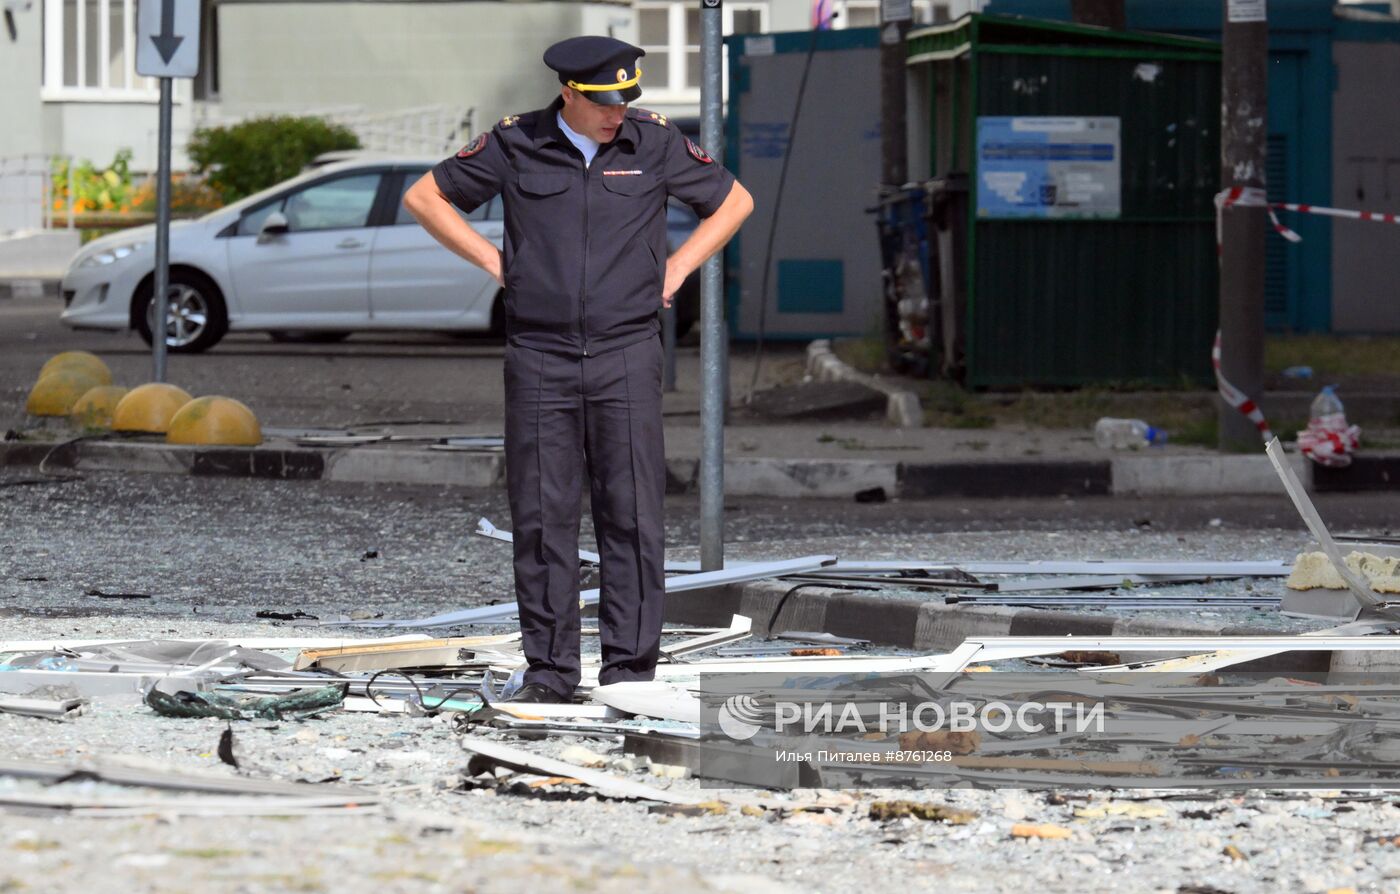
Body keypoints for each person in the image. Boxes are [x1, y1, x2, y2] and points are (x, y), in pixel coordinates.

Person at [405, 35, 753, 703]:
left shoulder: (652, 143)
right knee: (543, 518)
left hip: (626, 350)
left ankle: (629, 675)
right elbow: (426, 198)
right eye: (602, 103)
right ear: (568, 93)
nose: (615, 114)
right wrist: (493, 262)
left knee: (632, 517)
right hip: (540, 354)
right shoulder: (516, 143)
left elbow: (734, 203)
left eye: (624, 101)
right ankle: (551, 674)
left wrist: (678, 267)